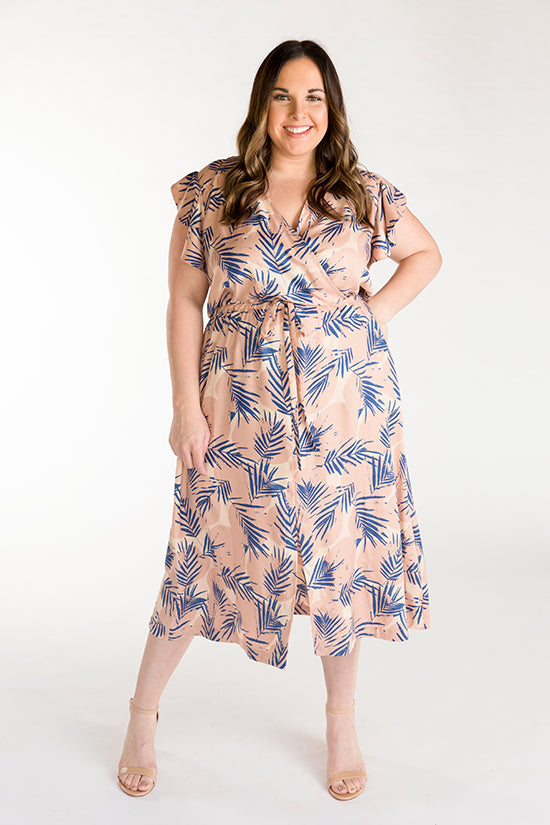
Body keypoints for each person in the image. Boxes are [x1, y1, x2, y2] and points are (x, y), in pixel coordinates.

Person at [117, 38, 442, 802]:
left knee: (336, 565)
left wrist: (371, 317)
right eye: (284, 96)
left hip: (346, 413)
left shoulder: (362, 193)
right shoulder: (213, 192)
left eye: (314, 97)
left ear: (332, 109)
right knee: (199, 556)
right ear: (262, 104)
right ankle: (140, 714)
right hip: (236, 410)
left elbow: (425, 254)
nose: (300, 113)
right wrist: (184, 406)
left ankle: (341, 723)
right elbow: (184, 301)